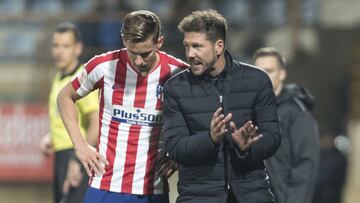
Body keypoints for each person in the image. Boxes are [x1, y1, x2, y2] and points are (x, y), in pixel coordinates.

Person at [57, 10, 188, 203]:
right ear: (123, 40)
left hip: (152, 189)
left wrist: (180, 154)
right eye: (132, 53)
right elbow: (65, 96)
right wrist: (80, 145)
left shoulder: (178, 73)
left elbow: (198, 115)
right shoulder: (103, 66)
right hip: (104, 186)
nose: (138, 61)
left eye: (145, 54)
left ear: (159, 42)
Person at [163, 9, 281, 203]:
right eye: (187, 46)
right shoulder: (175, 88)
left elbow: (273, 136)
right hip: (199, 196)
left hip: (251, 193)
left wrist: (247, 148)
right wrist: (210, 139)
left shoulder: (257, 80)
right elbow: (176, 148)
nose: (190, 54)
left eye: (197, 46)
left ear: (219, 46)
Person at [39, 22, 99, 203]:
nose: (59, 51)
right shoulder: (59, 77)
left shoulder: (82, 80)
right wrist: (51, 136)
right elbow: (66, 115)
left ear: (78, 48)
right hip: (62, 154)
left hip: (75, 155)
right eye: (56, 45)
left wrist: (78, 161)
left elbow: (96, 123)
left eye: (66, 46)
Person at [253, 47, 320, 203]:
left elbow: (305, 165)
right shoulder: (248, 110)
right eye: (258, 71)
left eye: (269, 71)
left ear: (282, 74)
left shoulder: (296, 112)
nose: (263, 77)